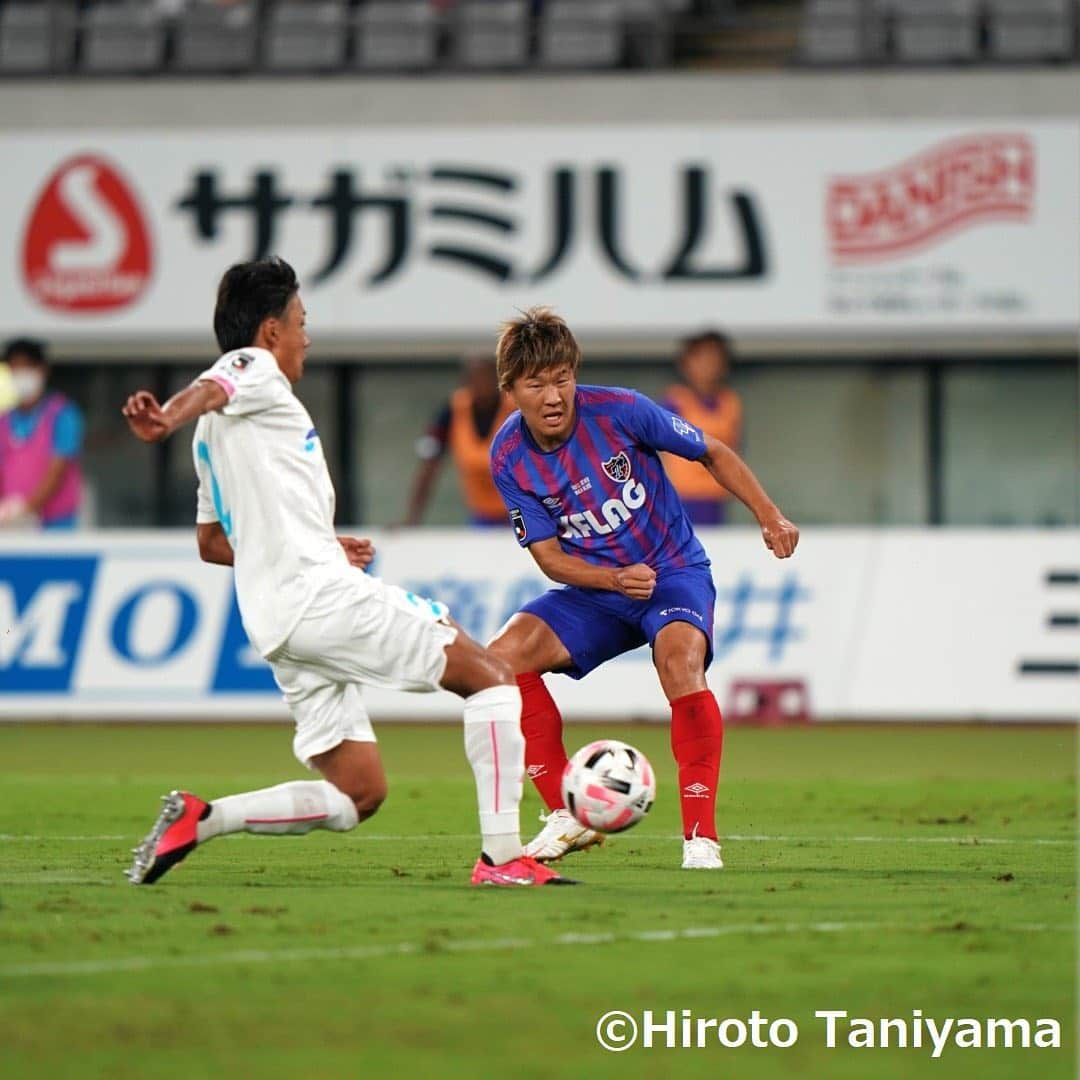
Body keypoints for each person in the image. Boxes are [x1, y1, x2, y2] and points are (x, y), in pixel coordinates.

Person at [121, 257, 572, 889]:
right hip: (319, 600)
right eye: (301, 322)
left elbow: (215, 542)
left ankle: (203, 818)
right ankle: (503, 857)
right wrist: (163, 417)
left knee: (358, 793)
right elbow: (221, 378)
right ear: (271, 330)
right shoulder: (256, 373)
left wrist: (321, 544)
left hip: (277, 622)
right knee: (493, 678)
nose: (307, 336)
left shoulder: (212, 440)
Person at [486, 308, 798, 870]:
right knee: (502, 660)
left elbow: (712, 452)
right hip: (597, 590)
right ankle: (566, 813)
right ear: (511, 390)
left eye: (563, 378)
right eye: (537, 384)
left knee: (680, 662)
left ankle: (701, 839)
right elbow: (551, 559)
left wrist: (769, 515)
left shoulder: (622, 411)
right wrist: (611, 580)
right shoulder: (509, 458)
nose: (554, 395)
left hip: (671, 570)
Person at [401, 353, 514, 527]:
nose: (482, 385)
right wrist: (411, 518)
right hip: (481, 515)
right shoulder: (454, 410)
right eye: (476, 379)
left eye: (487, 378)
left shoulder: (516, 409)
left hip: (522, 512)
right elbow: (429, 465)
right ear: (466, 382)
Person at [659, 330, 743, 526]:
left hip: (717, 496)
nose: (709, 366)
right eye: (702, 359)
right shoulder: (675, 401)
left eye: (715, 359)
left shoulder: (730, 402)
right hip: (681, 496)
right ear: (686, 363)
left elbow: (736, 448)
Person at [0, 338, 84, 531]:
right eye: (15, 368)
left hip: (55, 526)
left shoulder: (63, 414)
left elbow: (57, 471)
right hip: (10, 527)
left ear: (42, 370)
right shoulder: (4, 421)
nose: (20, 374)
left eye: (27, 367)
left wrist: (25, 509)